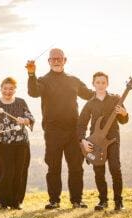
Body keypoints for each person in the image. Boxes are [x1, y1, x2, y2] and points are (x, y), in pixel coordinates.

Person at [26, 48, 94, 209]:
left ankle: (77, 200)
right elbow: (33, 92)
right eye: (53, 59)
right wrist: (31, 74)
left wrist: (110, 96)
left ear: (65, 60)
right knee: (53, 167)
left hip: (73, 131)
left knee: (76, 167)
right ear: (48, 61)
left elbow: (90, 95)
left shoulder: (73, 80)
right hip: (53, 132)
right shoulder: (42, 80)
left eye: (59, 58)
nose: (56, 61)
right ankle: (54, 201)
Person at [77, 71, 129, 211]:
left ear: (107, 84)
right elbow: (81, 124)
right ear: (93, 84)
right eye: (98, 82)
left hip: (112, 140)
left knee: (115, 169)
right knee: (98, 171)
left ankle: (118, 202)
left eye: (103, 82)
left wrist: (124, 114)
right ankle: (103, 201)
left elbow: (123, 120)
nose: (100, 85)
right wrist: (83, 141)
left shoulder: (115, 99)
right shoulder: (89, 104)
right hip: (95, 142)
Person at [0, 77, 34, 210]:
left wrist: (25, 120)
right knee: (6, 171)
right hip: (3, 143)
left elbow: (30, 117)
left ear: (15, 89)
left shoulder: (21, 102)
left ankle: (16, 201)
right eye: (5, 88)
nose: (8, 91)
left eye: (11, 88)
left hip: (21, 142)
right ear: (1, 89)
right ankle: (3, 201)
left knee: (20, 171)